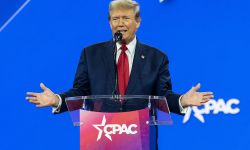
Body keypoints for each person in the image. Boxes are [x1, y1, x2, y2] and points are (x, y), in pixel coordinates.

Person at [26, 0, 213, 149]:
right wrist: (57, 100)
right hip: (100, 137)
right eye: (115, 19)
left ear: (138, 22)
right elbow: (80, 91)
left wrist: (182, 101)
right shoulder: (90, 54)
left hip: (140, 138)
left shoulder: (156, 58)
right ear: (109, 22)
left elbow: (162, 95)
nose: (120, 23)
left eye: (126, 18)